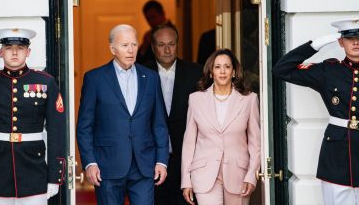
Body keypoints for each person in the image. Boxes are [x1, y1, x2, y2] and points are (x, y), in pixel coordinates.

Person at [0, 28, 66, 205]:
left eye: (21, 47)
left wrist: (55, 176)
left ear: (28, 52)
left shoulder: (45, 82)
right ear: (0, 52)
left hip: (34, 170)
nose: (15, 52)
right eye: (8, 47)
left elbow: (57, 131)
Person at [76, 24, 169, 204]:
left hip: (144, 165)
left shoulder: (151, 78)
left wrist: (162, 160)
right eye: (125, 45)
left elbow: (159, 124)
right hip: (107, 166)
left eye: (134, 45)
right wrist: (90, 163)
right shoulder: (95, 79)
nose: (131, 50)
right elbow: (84, 127)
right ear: (112, 49)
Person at [273, 19, 359, 205]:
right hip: (338, 155)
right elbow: (281, 70)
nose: (355, 43)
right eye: (350, 38)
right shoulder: (328, 71)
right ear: (340, 41)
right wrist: (316, 44)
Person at [181, 49, 260, 205]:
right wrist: (186, 180)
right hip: (204, 174)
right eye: (217, 67)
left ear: (234, 71)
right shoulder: (196, 99)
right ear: (211, 72)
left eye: (227, 67)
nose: (222, 71)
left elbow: (255, 143)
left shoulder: (249, 100)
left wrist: (252, 175)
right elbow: (189, 143)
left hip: (238, 175)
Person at [144, 24, 202, 205]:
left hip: (187, 159)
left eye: (172, 44)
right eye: (161, 45)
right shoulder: (140, 73)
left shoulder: (196, 73)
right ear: (153, 47)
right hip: (150, 158)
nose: (167, 50)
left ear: (178, 45)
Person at [137, 0, 172, 64]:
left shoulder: (172, 33)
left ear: (162, 14)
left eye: (154, 17)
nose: (151, 22)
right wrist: (145, 45)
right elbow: (139, 60)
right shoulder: (150, 35)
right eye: (148, 19)